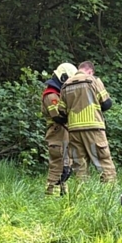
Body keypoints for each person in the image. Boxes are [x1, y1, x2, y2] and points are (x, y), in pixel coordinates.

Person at [59, 60, 116, 182]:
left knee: (79, 165)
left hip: (74, 130)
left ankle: (82, 194)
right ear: (90, 71)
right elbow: (106, 103)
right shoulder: (93, 80)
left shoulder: (65, 85)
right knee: (103, 161)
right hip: (94, 128)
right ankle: (109, 192)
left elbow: (61, 112)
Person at [42, 62, 81, 195]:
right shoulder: (51, 95)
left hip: (64, 136)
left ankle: (62, 197)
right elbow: (59, 117)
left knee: (66, 169)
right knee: (57, 168)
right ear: (63, 78)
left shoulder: (59, 94)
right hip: (56, 136)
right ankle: (50, 197)